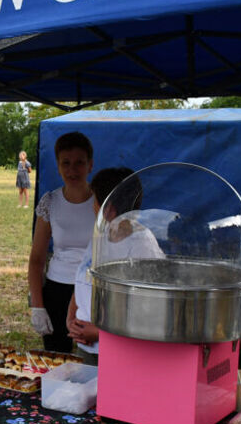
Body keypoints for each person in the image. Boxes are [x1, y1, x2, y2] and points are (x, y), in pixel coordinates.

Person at [66, 168, 163, 364]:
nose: (92, 207)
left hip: (119, 355)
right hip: (87, 348)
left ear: (108, 208)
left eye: (95, 201)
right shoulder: (101, 235)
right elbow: (84, 278)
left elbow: (147, 312)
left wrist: (101, 334)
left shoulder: (143, 247)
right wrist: (71, 319)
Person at [27, 132, 94, 352]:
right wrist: (38, 306)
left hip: (94, 291)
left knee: (94, 363)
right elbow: (36, 259)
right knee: (57, 359)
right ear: (57, 166)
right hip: (57, 289)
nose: (72, 170)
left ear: (90, 165)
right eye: (66, 163)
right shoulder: (50, 202)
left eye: (79, 163)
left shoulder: (103, 202)